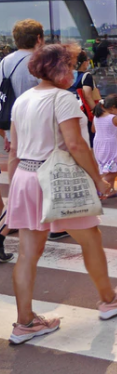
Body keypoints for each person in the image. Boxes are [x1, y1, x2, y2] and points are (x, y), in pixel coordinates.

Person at [6, 44, 117, 344]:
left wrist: (13, 191)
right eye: (69, 65)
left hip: (25, 177)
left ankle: (24, 322)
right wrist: (99, 180)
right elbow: (76, 145)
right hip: (57, 179)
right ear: (59, 69)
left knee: (28, 253)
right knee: (91, 239)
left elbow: (13, 151)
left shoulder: (23, 100)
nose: (74, 70)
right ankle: (109, 299)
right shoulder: (62, 99)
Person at [0, 19, 44, 264]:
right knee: (33, 181)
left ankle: (13, 221)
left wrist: (6, 133)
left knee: (20, 180)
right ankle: (9, 224)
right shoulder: (38, 61)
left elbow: (2, 96)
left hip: (13, 126)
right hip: (37, 129)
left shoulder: (5, 62)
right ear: (38, 38)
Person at [68, 50, 100, 147]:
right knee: (88, 140)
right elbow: (88, 96)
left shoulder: (65, 76)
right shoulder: (86, 76)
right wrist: (97, 112)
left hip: (68, 110)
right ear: (84, 62)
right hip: (83, 112)